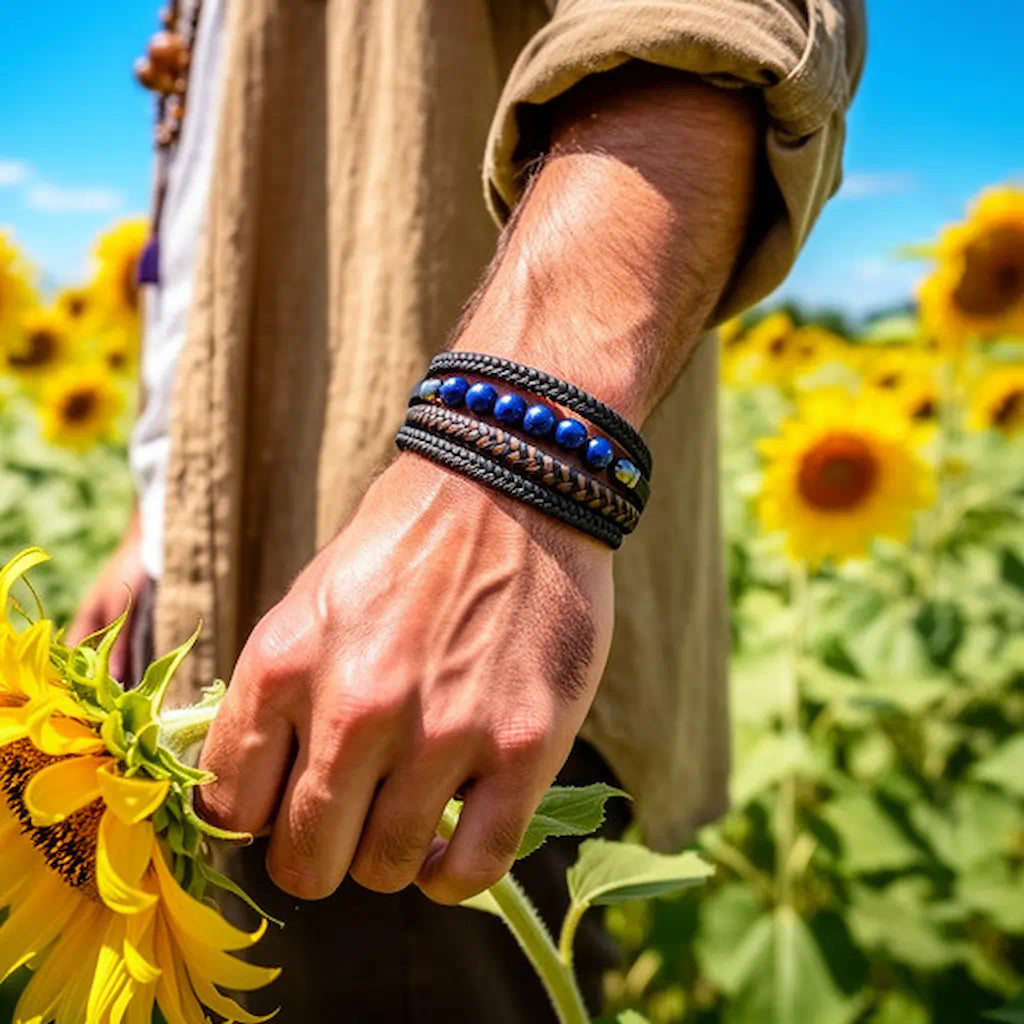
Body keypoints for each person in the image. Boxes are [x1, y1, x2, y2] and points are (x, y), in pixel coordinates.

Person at [71, 0, 866, 1018]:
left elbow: (709, 24)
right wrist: (157, 521)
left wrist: (509, 470)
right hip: (218, 618)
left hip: (431, 648)